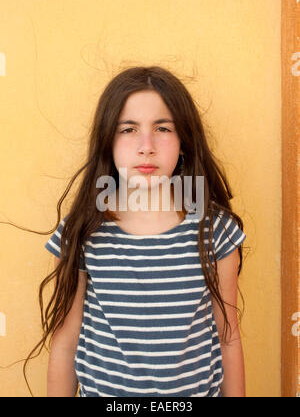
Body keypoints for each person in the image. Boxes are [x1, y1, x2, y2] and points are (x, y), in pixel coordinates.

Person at [38, 66, 247, 397]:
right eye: (129, 129)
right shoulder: (81, 233)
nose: (146, 146)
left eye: (163, 128)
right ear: (108, 141)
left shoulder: (215, 232)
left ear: (184, 142)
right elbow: (65, 344)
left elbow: (228, 337)